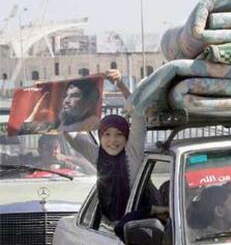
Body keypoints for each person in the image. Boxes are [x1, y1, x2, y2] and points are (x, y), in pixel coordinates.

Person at [65, 69, 146, 222]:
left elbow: (137, 113)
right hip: (108, 229)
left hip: (140, 223)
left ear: (127, 137)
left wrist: (121, 84)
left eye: (119, 134)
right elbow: (68, 132)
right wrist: (88, 82)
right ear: (100, 137)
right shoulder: (97, 155)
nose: (113, 140)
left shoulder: (133, 151)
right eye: (107, 135)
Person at [25, 134, 96, 174]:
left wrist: (68, 158)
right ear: (39, 151)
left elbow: (93, 171)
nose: (53, 152)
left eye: (56, 148)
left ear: (60, 149)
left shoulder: (70, 166)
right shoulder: (32, 169)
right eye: (48, 148)